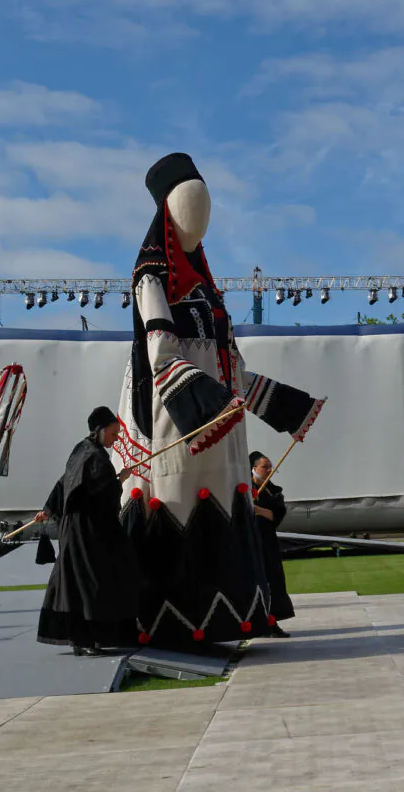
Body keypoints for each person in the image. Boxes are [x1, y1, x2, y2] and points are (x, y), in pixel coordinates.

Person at [117, 153, 326, 645]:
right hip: (179, 417)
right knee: (180, 503)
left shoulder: (209, 291)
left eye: (205, 206)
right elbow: (160, 352)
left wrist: (283, 407)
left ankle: (227, 618)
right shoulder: (152, 276)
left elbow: (233, 365)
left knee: (224, 506)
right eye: (191, 205)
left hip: (223, 427)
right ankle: (171, 623)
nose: (200, 217)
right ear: (168, 212)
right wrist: (207, 404)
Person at [34, 407, 143, 655]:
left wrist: (49, 509)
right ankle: (90, 639)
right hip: (88, 531)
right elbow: (102, 495)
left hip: (73, 529)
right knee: (94, 580)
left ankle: (81, 640)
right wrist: (121, 481)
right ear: (101, 429)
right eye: (114, 434)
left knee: (76, 581)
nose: (115, 440)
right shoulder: (96, 457)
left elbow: (64, 483)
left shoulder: (80, 451)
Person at [251, 451, 293, 637]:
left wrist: (257, 509)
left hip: (267, 542)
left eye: (270, 467)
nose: (269, 470)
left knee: (272, 581)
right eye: (264, 467)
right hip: (249, 542)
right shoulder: (242, 488)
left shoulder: (274, 491)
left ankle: (272, 622)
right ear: (253, 468)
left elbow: (275, 516)